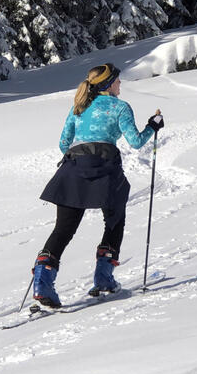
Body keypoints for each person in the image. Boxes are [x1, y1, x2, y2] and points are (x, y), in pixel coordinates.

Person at [32, 63, 164, 308]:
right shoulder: (120, 107)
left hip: (73, 170)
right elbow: (135, 142)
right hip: (106, 171)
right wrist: (152, 127)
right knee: (114, 221)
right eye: (118, 80)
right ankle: (103, 279)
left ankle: (42, 284)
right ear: (109, 83)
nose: (120, 84)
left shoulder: (78, 107)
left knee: (63, 230)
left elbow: (64, 144)